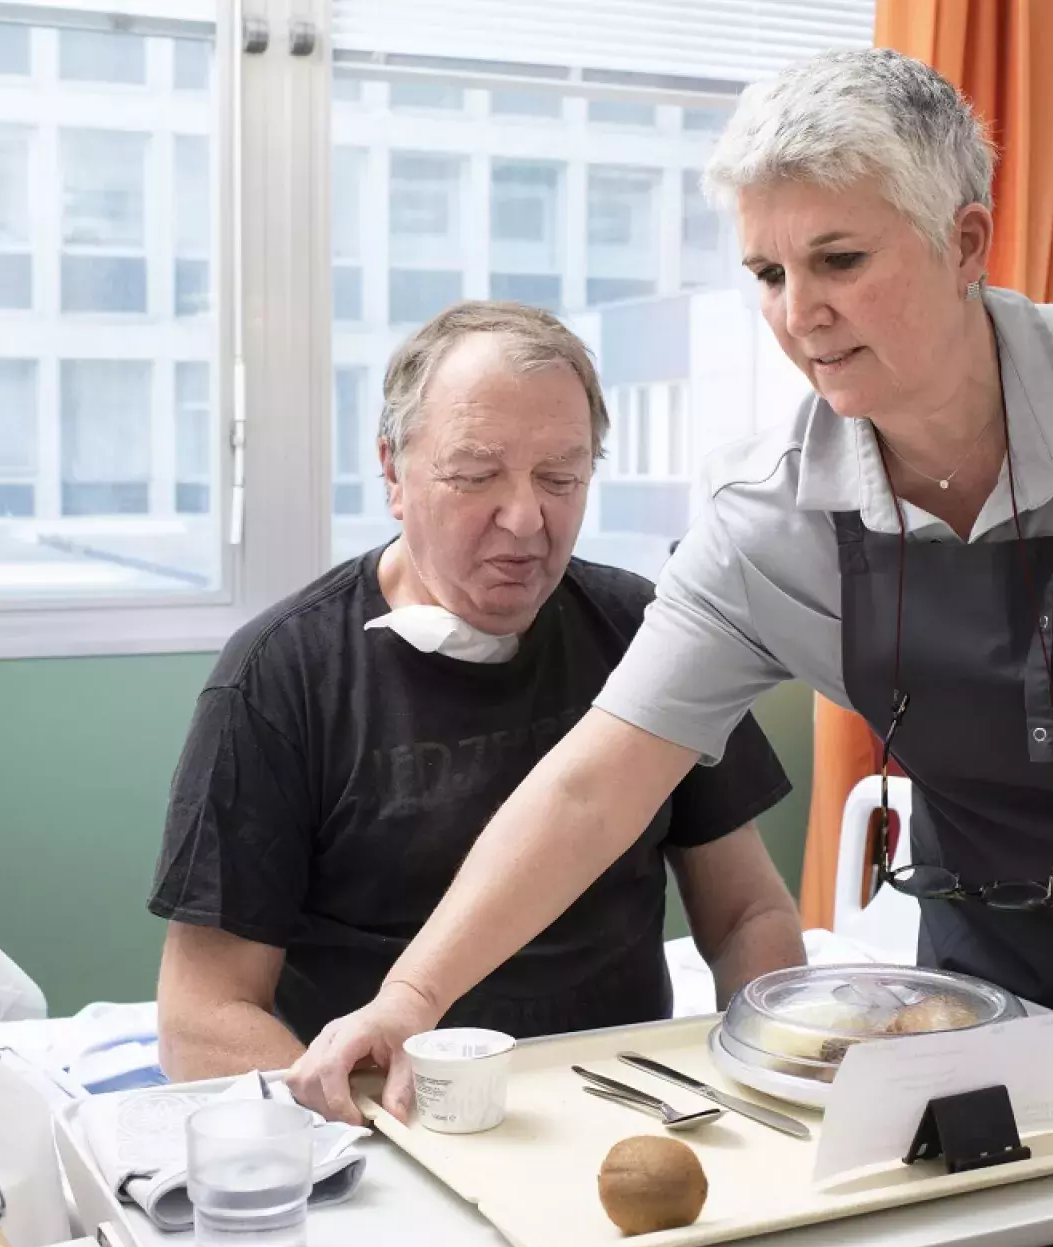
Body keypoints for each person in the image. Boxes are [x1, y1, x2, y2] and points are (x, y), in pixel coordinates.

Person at [285, 51, 1053, 1247]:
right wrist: (406, 1000)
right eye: (766, 273)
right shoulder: (763, 519)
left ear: (965, 238)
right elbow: (596, 782)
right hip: (991, 995)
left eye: (838, 260)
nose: (797, 313)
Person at [149, 300, 804, 1084]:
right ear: (393, 471)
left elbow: (749, 916)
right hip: (390, 1120)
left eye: (561, 477)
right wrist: (356, 1136)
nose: (526, 518)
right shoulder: (278, 679)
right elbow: (201, 1019)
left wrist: (770, 1072)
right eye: (474, 476)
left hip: (623, 1103)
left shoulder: (645, 633)